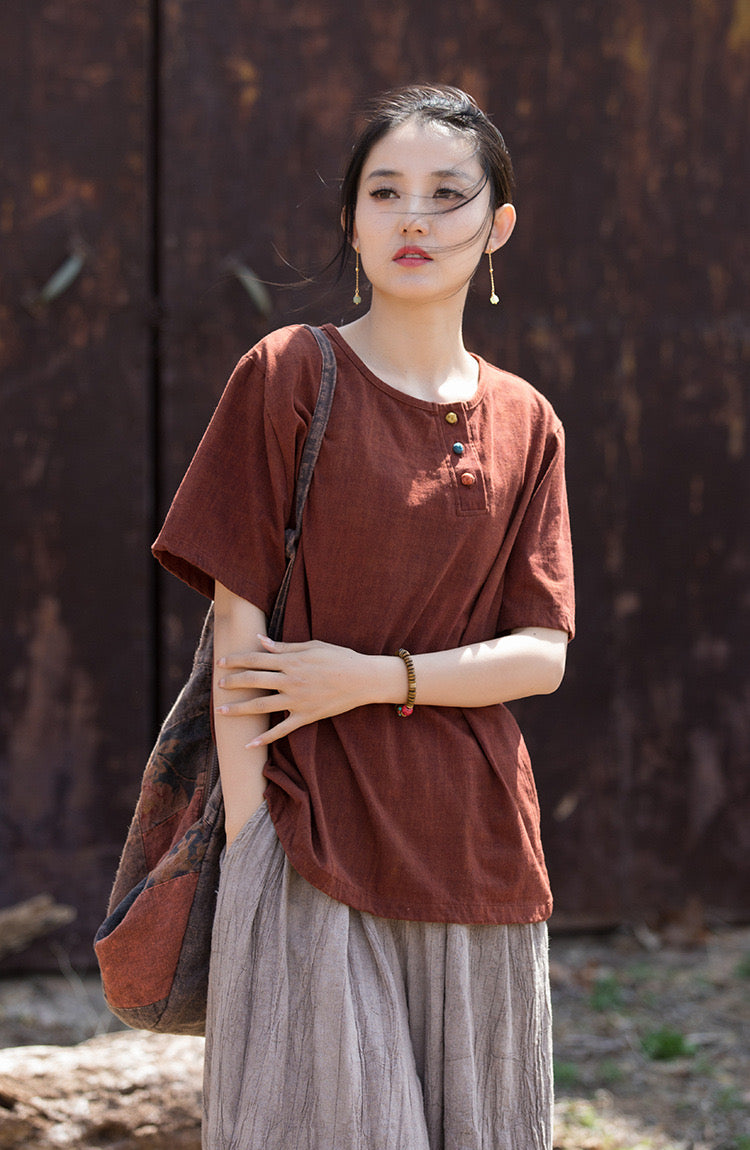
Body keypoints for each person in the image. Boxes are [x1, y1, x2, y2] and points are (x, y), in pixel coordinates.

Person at [153, 84, 574, 1150]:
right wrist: (253, 838)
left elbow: (542, 653)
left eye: (446, 194)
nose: (413, 218)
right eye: (385, 192)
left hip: (477, 847)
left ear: (498, 226)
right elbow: (239, 636)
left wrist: (378, 678)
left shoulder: (526, 420)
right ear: (351, 220)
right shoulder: (291, 373)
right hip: (309, 836)